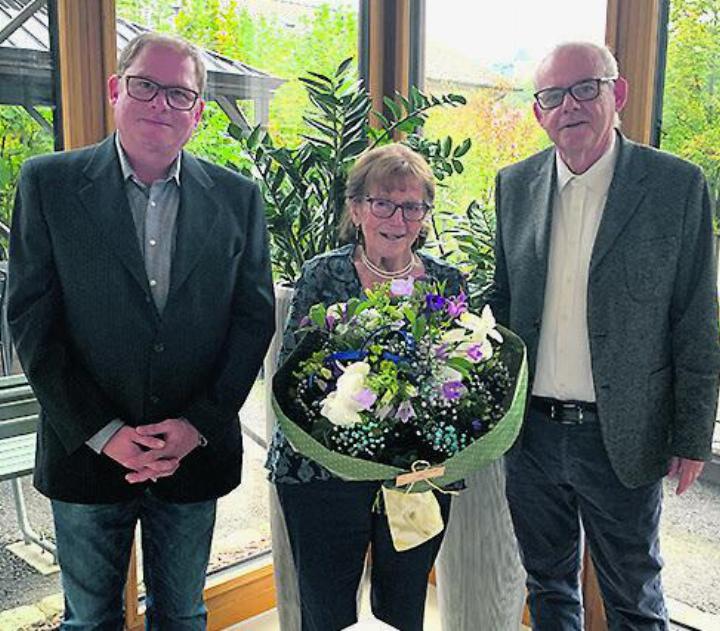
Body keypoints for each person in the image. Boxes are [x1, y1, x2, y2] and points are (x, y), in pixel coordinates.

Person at [8, 32, 274, 629]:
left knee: (182, 615)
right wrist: (104, 434)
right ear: (115, 90)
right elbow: (31, 322)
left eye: (180, 94)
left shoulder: (238, 199)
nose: (161, 104)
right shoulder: (48, 184)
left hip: (192, 455)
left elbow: (253, 321)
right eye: (145, 86)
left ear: (199, 112)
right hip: (85, 450)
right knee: (89, 620)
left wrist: (197, 426)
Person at [487, 41, 720, 630]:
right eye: (553, 96)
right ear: (539, 114)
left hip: (623, 434)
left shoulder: (675, 186)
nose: (570, 106)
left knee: (634, 597)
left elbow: (696, 317)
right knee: (547, 588)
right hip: (532, 436)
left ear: (617, 93)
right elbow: (504, 301)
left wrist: (692, 434)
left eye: (586, 88)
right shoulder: (514, 186)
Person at [266, 143, 464, 631]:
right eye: (383, 203)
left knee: (403, 606)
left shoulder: (445, 282)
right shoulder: (322, 275)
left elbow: (462, 380)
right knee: (326, 609)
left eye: (412, 206)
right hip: (322, 474)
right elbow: (296, 377)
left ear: (424, 215)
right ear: (356, 209)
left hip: (416, 475)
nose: (397, 218)